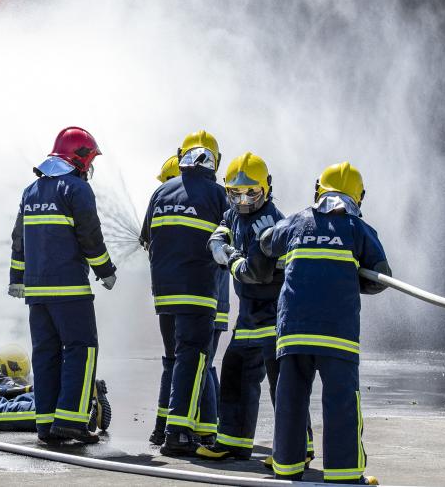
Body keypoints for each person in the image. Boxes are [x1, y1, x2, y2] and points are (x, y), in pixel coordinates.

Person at [259, 162, 389, 485]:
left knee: (289, 401)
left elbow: (266, 243)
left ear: (319, 190)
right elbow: (381, 276)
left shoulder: (296, 222)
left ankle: (286, 469)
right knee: (342, 403)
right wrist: (349, 276)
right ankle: (344, 476)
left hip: (293, 334)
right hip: (337, 336)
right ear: (358, 198)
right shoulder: (358, 229)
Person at [8, 126, 116, 444]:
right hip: (70, 290)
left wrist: (17, 279)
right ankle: (71, 421)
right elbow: (90, 237)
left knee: (45, 354)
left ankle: (46, 424)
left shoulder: (31, 191)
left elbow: (19, 240)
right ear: (80, 158)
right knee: (81, 349)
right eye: (90, 159)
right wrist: (105, 270)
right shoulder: (77, 190)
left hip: (37, 294)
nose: (90, 167)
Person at [205, 152, 314, 463]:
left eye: (251, 192)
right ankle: (233, 441)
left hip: (276, 312)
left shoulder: (271, 223)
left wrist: (229, 257)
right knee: (236, 371)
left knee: (283, 382)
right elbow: (218, 237)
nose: (242, 200)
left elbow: (257, 273)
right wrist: (220, 244)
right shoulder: (234, 216)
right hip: (249, 314)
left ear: (266, 187)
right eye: (234, 193)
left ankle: (299, 449)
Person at [141, 130, 227, 458]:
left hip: (164, 294)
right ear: (214, 162)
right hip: (200, 292)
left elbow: (146, 238)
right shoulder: (219, 196)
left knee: (174, 359)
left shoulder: (160, 191)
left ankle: (166, 426)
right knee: (193, 358)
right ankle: (178, 433)